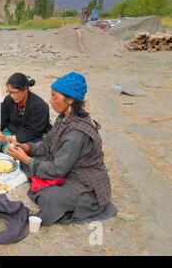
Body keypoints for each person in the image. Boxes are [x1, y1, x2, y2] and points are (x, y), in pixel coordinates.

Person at [7, 72, 116, 226]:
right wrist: (25, 147)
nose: (50, 100)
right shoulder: (63, 117)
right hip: (67, 167)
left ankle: (84, 204)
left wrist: (24, 157)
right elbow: (46, 145)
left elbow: (58, 169)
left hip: (85, 182)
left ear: (70, 100)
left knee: (50, 198)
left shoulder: (77, 133)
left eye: (54, 97)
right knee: (30, 164)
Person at [0, 73, 51, 148]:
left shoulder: (39, 106)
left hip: (29, 137)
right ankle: (3, 145)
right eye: (10, 92)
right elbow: (3, 118)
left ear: (25, 89)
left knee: (12, 148)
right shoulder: (9, 99)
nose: (12, 96)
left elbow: (33, 133)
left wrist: (8, 139)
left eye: (15, 92)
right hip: (13, 131)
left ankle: (5, 146)